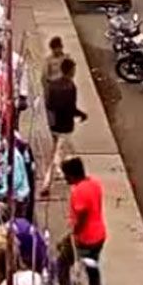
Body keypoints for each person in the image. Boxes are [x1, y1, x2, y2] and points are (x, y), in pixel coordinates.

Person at [56, 157, 106, 285]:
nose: (65, 179)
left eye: (66, 175)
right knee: (92, 271)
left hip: (85, 239)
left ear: (72, 174)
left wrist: (73, 233)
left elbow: (81, 217)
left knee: (62, 263)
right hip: (99, 236)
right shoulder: (94, 184)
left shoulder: (79, 192)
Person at [41, 58, 87, 197]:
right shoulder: (71, 87)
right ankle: (47, 183)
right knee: (57, 153)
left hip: (53, 123)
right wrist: (81, 114)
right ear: (71, 70)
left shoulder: (53, 85)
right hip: (65, 125)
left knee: (58, 148)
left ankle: (60, 171)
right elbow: (71, 108)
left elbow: (48, 104)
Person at [0, 136, 31, 218]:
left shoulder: (13, 157)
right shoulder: (7, 156)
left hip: (19, 196)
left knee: (16, 219)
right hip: (15, 195)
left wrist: (0, 191)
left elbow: (16, 181)